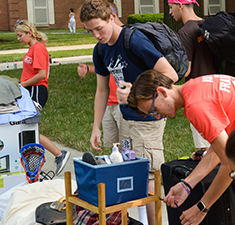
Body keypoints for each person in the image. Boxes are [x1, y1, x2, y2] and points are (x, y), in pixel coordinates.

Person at [80, 1, 178, 224]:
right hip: (125, 116)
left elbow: (170, 74)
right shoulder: (101, 49)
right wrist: (96, 126)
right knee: (125, 172)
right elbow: (102, 89)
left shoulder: (133, 40)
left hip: (148, 118)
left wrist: (137, 93)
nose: (96, 35)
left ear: (111, 18)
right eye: (90, 31)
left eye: (99, 28)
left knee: (149, 176)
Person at [127, 69, 235, 225]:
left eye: (154, 110)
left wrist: (201, 208)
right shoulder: (195, 86)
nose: (157, 117)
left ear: (162, 92)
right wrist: (187, 184)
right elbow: (218, 151)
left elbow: (230, 165)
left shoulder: (196, 106)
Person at [14, 19, 70, 175]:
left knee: (28, 129)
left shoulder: (38, 48)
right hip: (30, 91)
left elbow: (41, 75)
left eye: (20, 35)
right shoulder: (32, 48)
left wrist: (21, 85)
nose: (18, 39)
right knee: (24, 128)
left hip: (36, 91)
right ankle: (35, 162)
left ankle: (59, 154)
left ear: (29, 33)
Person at [168, 0, 219, 152]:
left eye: (171, 8)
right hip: (218, 88)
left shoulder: (184, 32)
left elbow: (186, 70)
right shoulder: (208, 26)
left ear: (180, 6)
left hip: (200, 94)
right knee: (219, 141)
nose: (170, 12)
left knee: (204, 147)